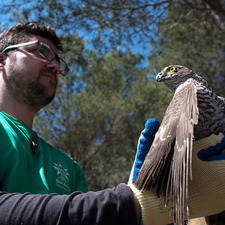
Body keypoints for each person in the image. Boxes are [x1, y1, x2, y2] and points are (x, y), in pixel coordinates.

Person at [0, 22, 225, 225]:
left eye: (58, 61)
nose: (55, 66)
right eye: (42, 51)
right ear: (2, 59)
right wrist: (135, 204)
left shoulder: (69, 167)